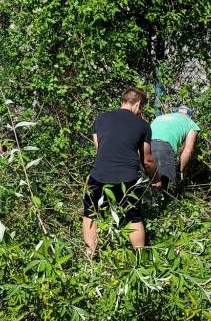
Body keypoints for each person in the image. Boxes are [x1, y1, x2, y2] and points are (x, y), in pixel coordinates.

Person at [82, 87, 158, 258]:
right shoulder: (143, 125)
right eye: (141, 108)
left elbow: (99, 148)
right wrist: (155, 178)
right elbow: (147, 160)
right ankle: (140, 259)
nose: (140, 112)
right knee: (133, 216)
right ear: (137, 104)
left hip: (99, 173)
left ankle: (90, 256)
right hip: (129, 177)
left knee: (90, 212)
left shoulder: (101, 118)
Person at [150, 105, 200, 190]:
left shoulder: (160, 117)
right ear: (190, 116)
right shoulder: (191, 123)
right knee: (166, 189)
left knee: (148, 184)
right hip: (163, 149)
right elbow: (189, 150)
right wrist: (180, 170)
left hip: (145, 147)